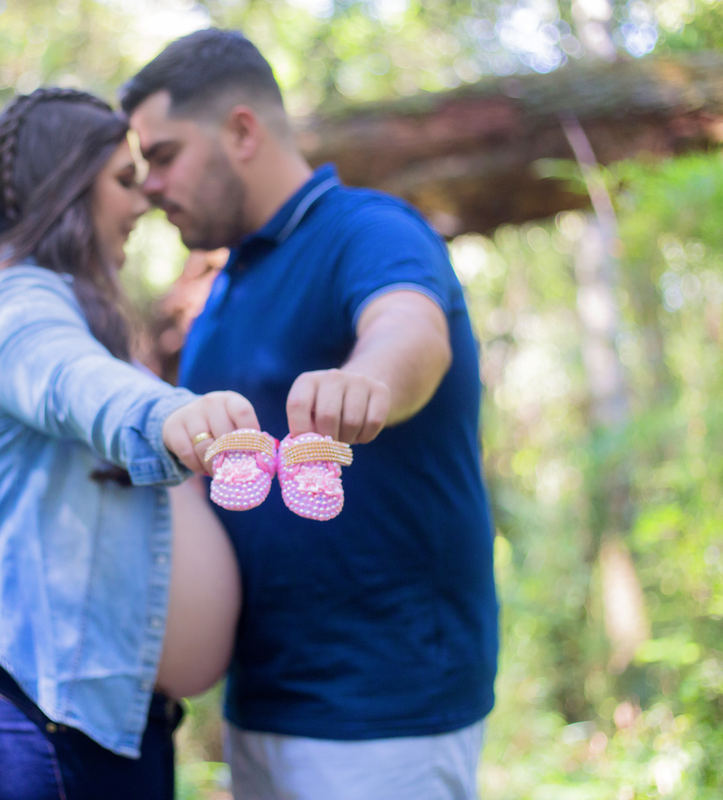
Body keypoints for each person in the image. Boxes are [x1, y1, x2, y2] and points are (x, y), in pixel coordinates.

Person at [122, 30, 499, 800]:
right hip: (262, 705)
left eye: (163, 155)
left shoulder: (368, 228)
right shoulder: (229, 284)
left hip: (384, 715)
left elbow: (411, 329)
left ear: (241, 130)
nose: (149, 185)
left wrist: (368, 383)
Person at [0, 88, 250, 799]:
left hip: (99, 724)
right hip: (29, 722)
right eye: (123, 181)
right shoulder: (10, 303)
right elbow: (71, 382)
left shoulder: (63, 307)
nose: (142, 201)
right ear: (66, 183)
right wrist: (168, 416)